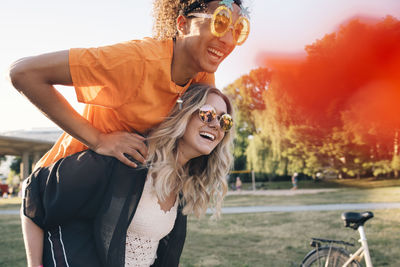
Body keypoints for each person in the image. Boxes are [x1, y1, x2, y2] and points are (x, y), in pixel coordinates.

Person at [9, 0, 249, 169]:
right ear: (182, 23)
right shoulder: (135, 61)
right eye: (219, 22)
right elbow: (24, 73)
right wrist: (99, 140)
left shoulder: (201, 75)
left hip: (118, 186)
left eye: (237, 30)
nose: (229, 41)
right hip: (69, 178)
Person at [22, 84, 234, 267]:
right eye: (207, 113)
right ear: (183, 112)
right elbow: (34, 192)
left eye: (225, 121)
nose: (216, 125)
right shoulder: (128, 157)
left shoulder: (183, 181)